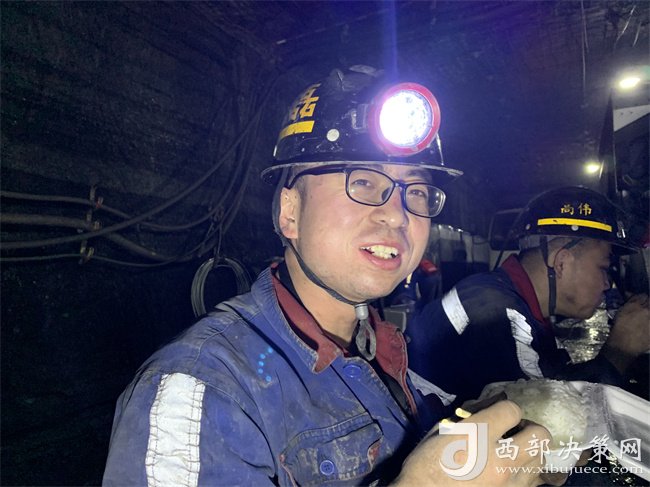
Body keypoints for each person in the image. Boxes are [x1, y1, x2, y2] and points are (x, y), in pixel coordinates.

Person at [104, 66, 557, 486]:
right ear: (290, 212)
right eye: (362, 181)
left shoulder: (384, 352)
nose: (397, 214)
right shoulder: (204, 390)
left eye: (416, 190)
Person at [408, 186, 650, 404]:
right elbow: (550, 419)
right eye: (603, 268)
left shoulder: (508, 298)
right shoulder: (494, 313)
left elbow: (553, 381)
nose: (607, 283)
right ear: (562, 262)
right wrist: (621, 351)